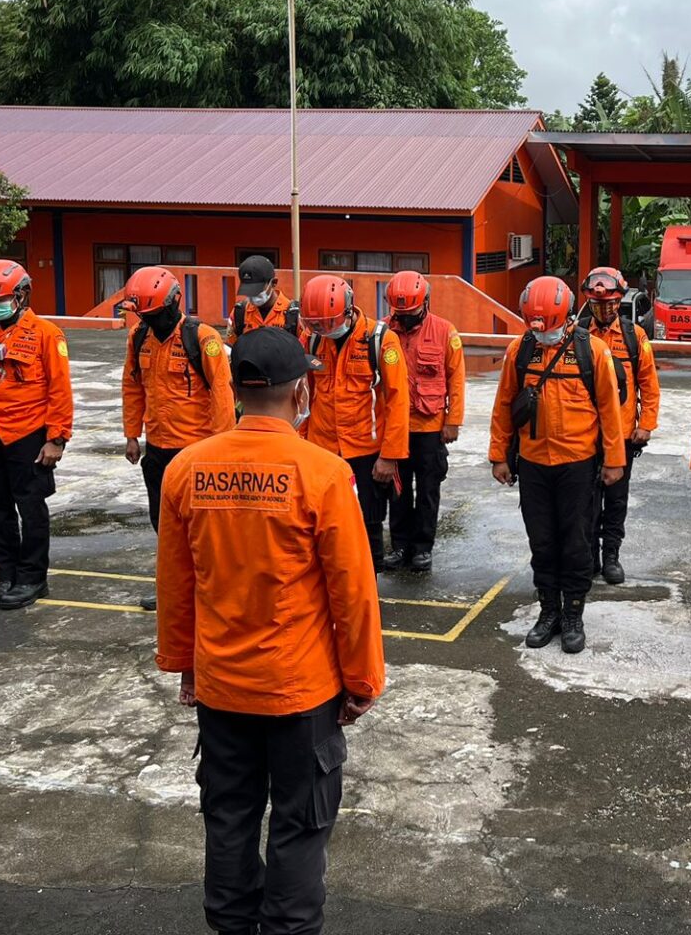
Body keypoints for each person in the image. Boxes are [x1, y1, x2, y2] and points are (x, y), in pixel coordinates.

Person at [155, 326, 385, 935]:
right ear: (300, 389)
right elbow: (353, 593)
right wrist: (362, 680)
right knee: (300, 822)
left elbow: (176, 587)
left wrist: (186, 667)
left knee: (228, 815)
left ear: (235, 389)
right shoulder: (325, 473)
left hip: (222, 686)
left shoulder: (186, 469)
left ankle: (231, 926)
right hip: (299, 691)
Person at [490, 276, 625, 654]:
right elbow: (504, 405)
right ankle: (548, 610)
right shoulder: (520, 349)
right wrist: (499, 455)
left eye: (547, 325)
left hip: (578, 466)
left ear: (566, 316)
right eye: (534, 324)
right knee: (542, 541)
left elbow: (609, 411)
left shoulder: (592, 351)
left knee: (577, 543)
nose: (541, 333)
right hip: (533, 464)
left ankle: (573, 615)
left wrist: (614, 461)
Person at [119, 266, 235, 611]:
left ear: (173, 304)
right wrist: (131, 434)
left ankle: (212, 589)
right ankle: (175, 588)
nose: (149, 320)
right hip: (157, 449)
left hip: (198, 451)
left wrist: (222, 445)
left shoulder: (202, 339)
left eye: (154, 313)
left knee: (206, 528)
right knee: (166, 526)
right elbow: (132, 386)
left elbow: (222, 393)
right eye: (144, 314)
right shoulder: (139, 338)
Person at [0, 259, 74, 611]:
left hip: (27, 434)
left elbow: (60, 389)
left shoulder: (46, 334)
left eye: (1, 299)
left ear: (22, 295)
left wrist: (57, 438)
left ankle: (32, 577)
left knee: (31, 508)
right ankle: (6, 575)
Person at [300, 273, 410, 566]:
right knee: (321, 525)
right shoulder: (311, 340)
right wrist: (299, 446)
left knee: (368, 524)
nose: (323, 329)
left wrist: (390, 456)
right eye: (316, 324)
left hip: (367, 452)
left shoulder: (381, 340)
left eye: (328, 323)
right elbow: (303, 396)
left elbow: (398, 400)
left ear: (348, 311)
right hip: (322, 452)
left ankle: (368, 591)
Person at [579, 267, 660, 585]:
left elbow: (649, 385)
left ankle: (611, 555)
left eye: (611, 302)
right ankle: (590, 557)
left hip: (623, 435)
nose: (605, 309)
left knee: (615, 500)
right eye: (598, 304)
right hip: (584, 435)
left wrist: (646, 425)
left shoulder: (634, 336)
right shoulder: (578, 334)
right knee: (585, 501)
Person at [384, 271, 466, 573]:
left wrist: (453, 420)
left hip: (430, 427)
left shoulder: (445, 331)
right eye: (400, 313)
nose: (404, 318)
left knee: (429, 490)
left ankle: (422, 548)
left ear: (425, 303)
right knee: (398, 490)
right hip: (396, 428)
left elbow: (456, 378)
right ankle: (401, 545)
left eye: (411, 312)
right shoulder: (384, 332)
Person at [225, 254, 299, 345]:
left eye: (257, 289)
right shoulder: (239, 313)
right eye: (248, 290)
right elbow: (230, 347)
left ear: (273, 283)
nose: (252, 294)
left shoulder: (293, 315)